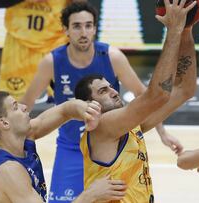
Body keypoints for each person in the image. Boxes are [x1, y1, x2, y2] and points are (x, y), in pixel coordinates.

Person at [20, 1, 183, 201]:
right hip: (70, 148)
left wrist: (163, 133)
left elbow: (144, 95)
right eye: (77, 26)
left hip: (108, 146)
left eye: (88, 25)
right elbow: (26, 105)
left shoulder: (112, 56)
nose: (83, 32)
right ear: (66, 30)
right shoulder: (51, 62)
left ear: (95, 28)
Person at [75, 0, 198, 201]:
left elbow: (185, 89)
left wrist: (186, 29)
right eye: (103, 91)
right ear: (91, 105)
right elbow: (158, 95)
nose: (114, 92)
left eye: (112, 87)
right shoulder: (102, 127)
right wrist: (174, 30)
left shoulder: (131, 128)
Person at [0, 91, 127, 203]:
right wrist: (91, 194)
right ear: (4, 123)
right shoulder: (9, 171)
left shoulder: (21, 138)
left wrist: (88, 111)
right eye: (15, 107)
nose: (24, 107)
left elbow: (66, 110)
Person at [0, 0, 73, 100]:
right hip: (20, 43)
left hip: (56, 41)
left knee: (67, 99)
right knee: (12, 102)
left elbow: (80, 6)